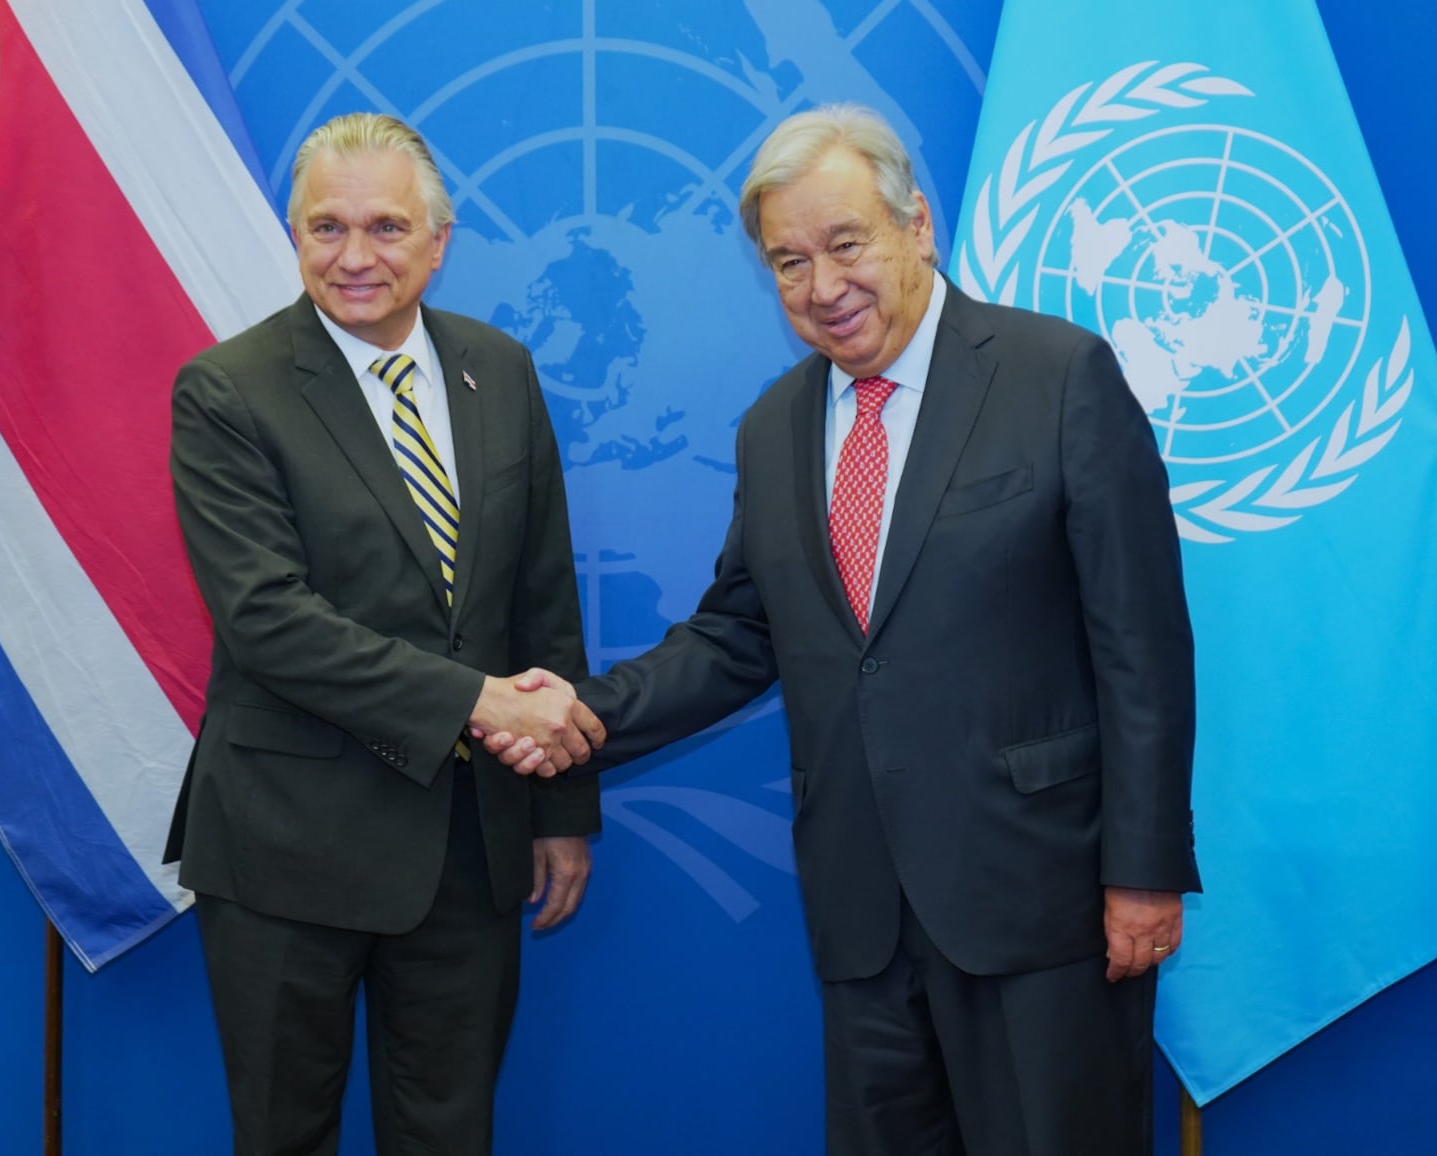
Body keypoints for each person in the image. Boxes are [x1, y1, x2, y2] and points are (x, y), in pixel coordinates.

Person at [486, 104, 1199, 1155]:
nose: (821, 287)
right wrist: (577, 715)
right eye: (787, 261)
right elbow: (736, 638)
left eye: (844, 244)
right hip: (862, 919)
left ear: (916, 224)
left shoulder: (1057, 377)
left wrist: (1141, 870)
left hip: (1039, 905)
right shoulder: (773, 426)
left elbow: (1142, 646)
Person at [164, 111, 603, 1156]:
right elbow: (268, 621)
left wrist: (559, 805)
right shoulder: (227, 390)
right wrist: (474, 702)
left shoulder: (500, 370)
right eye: (325, 228)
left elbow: (542, 599)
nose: (354, 256)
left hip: (468, 840)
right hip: (285, 844)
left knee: (451, 1134)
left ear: (438, 241)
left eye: (385, 228)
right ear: (295, 234)